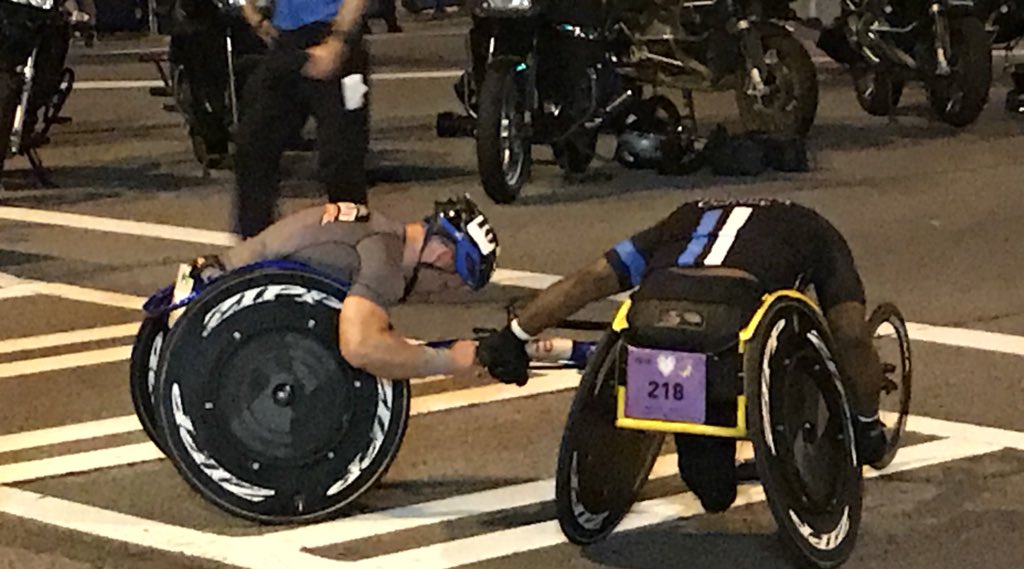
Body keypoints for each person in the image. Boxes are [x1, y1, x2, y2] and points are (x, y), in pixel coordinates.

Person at [476, 197, 888, 513]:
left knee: (712, 492)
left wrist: (514, 335)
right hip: (730, 330)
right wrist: (865, 423)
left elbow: (591, 279)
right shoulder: (817, 231)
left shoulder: (683, 217)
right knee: (803, 344)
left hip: (654, 319)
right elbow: (852, 338)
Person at [189, 195, 498, 380]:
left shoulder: (374, 226)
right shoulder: (384, 255)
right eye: (446, 285)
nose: (432, 295)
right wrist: (449, 361)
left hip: (211, 276)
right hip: (222, 315)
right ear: (442, 257)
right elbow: (361, 348)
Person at [234, 0, 371, 238]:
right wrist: (254, 16)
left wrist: (340, 40)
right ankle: (254, 245)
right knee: (253, 143)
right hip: (287, 42)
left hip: (336, 41)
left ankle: (354, 244)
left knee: (342, 155)